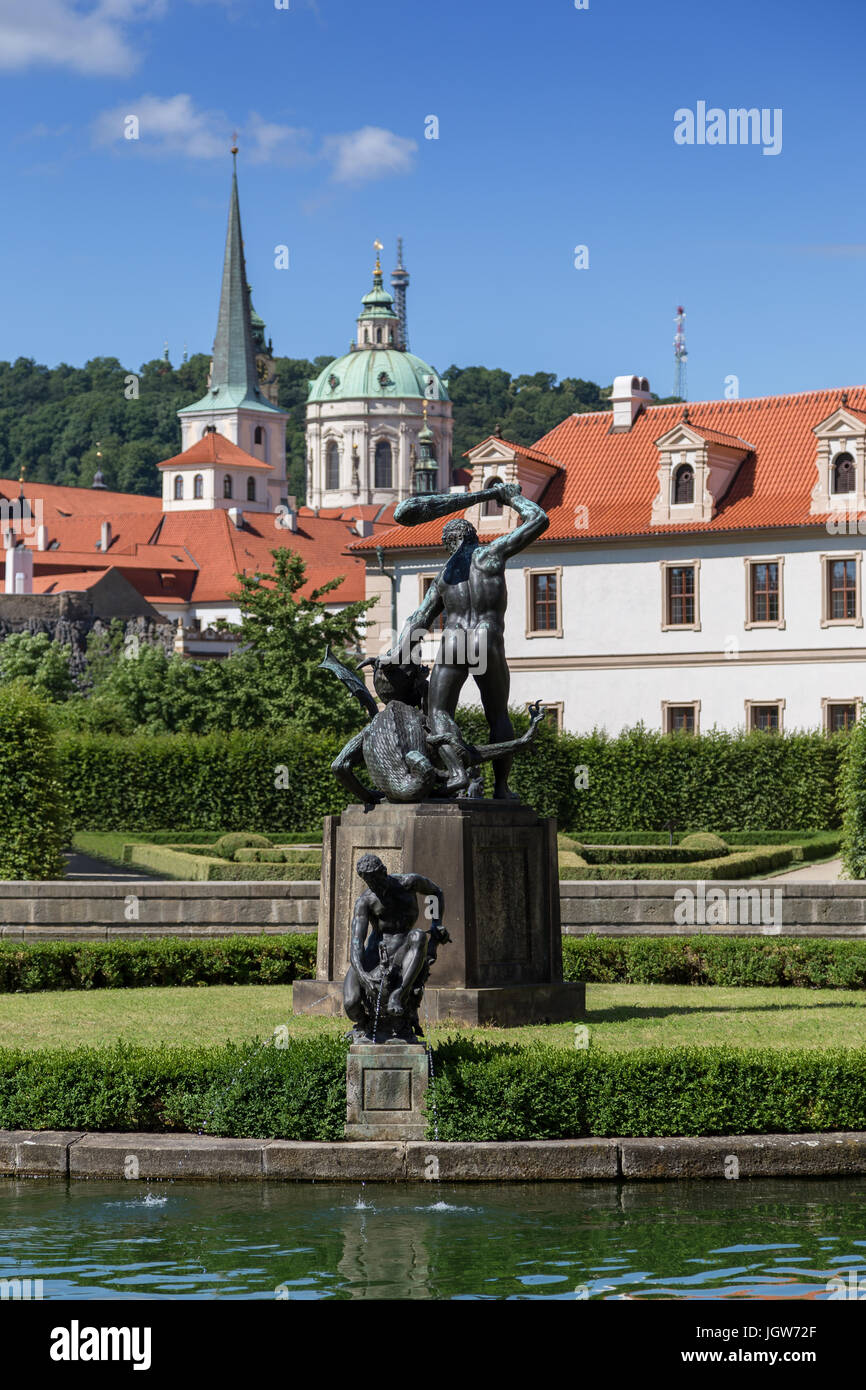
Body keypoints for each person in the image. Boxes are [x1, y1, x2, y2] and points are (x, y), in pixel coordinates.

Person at [382, 479, 548, 798]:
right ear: (474, 537)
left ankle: (457, 773)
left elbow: (418, 619)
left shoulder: (444, 577)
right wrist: (513, 500)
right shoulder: (490, 554)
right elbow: (539, 520)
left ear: (449, 545)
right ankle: (501, 789)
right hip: (485, 640)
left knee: (440, 714)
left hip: (454, 641)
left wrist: (397, 653)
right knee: (497, 715)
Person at [344, 853, 448, 1042]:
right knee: (350, 1003)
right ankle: (365, 1025)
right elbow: (356, 944)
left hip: (406, 948)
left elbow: (436, 892)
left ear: (385, 871)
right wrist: (363, 975)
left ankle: (399, 994)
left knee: (418, 935)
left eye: (378, 881)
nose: (376, 887)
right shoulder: (365, 901)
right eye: (370, 884)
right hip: (376, 953)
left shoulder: (409, 883)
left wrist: (436, 922)